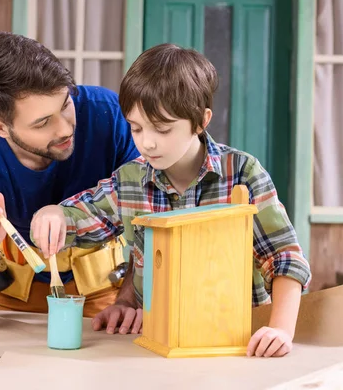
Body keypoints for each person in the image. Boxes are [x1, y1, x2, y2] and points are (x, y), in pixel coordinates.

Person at [30, 43, 312, 358]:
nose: (147, 142)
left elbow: (285, 258)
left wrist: (281, 329)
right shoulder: (130, 182)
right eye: (136, 128)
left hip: (234, 344)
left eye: (162, 129)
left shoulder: (243, 174)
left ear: (201, 121)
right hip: (157, 346)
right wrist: (52, 215)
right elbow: (78, 217)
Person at [0, 32, 139, 326]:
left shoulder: (109, 117)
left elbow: (153, 218)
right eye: (43, 122)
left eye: (65, 105)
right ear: (0, 128)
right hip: (8, 305)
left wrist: (129, 299)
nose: (64, 130)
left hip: (102, 297)